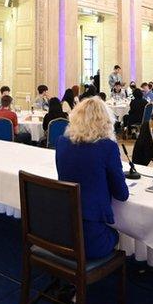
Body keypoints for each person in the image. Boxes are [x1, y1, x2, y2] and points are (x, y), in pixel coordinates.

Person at [54, 97, 129, 260]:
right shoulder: (107, 147)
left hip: (60, 231)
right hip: (89, 238)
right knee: (118, 235)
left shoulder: (61, 142)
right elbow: (122, 195)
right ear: (106, 121)